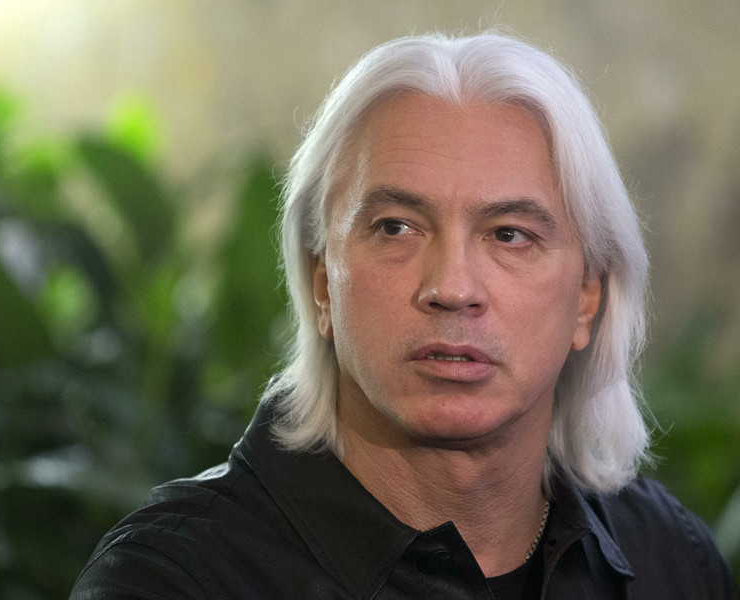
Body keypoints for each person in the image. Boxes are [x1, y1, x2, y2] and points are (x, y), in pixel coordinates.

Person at [70, 31, 739, 599]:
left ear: (588, 297)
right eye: (395, 227)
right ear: (322, 282)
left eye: (509, 235)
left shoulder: (670, 561)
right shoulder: (172, 579)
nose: (452, 288)